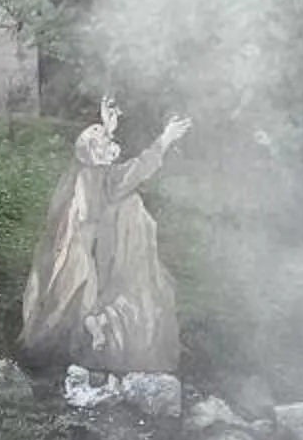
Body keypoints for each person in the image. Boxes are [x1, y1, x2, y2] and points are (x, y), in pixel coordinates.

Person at [19, 98, 192, 375]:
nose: (110, 142)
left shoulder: (91, 175)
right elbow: (136, 169)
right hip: (105, 251)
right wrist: (165, 139)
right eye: (104, 141)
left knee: (99, 300)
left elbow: (97, 157)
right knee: (117, 297)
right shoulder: (106, 180)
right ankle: (104, 350)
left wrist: (107, 126)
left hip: (97, 249)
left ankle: (93, 344)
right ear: (101, 155)